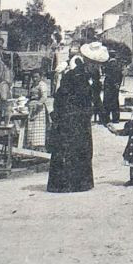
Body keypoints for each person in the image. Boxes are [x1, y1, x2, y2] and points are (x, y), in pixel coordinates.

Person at [46, 42, 108, 193]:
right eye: (95, 64)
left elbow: (96, 99)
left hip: (83, 120)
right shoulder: (72, 76)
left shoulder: (94, 78)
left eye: (99, 65)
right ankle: (62, 185)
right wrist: (60, 117)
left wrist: (105, 119)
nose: (97, 68)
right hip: (69, 119)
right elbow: (60, 97)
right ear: (87, 61)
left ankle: (81, 184)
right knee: (66, 151)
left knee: (83, 151)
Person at [101, 53, 124, 124]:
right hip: (115, 86)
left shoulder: (109, 64)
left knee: (107, 102)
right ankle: (116, 118)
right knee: (115, 102)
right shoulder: (118, 64)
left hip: (109, 85)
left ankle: (106, 119)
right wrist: (118, 84)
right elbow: (120, 75)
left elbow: (106, 74)